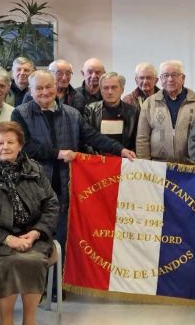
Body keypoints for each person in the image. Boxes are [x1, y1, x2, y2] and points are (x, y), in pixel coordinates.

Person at [11, 70, 135, 254]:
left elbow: (92, 136)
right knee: (35, 240)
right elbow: (24, 147)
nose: (45, 92)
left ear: (56, 87)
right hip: (33, 186)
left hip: (64, 185)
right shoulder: (19, 114)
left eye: (48, 86)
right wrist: (57, 153)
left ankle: (59, 281)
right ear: (30, 90)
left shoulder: (72, 114)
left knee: (62, 238)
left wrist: (120, 150)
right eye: (39, 88)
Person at [0, 121, 58, 325]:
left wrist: (36, 232)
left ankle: (29, 321)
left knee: (33, 260)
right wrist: (7, 239)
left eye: (10, 142)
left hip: (33, 237)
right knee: (10, 262)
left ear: (20, 145)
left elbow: (51, 205)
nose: (5, 147)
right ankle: (6, 321)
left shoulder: (36, 170)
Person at [136, 60, 195, 163]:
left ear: (183, 78)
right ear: (160, 79)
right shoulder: (150, 103)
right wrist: (144, 165)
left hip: (192, 167)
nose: (170, 79)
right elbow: (142, 138)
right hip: (159, 167)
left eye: (175, 75)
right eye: (165, 75)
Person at [85, 72, 138, 151]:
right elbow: (86, 139)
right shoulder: (90, 110)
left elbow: (136, 142)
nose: (109, 92)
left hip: (124, 161)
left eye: (114, 87)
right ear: (101, 90)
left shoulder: (133, 112)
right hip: (97, 160)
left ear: (122, 90)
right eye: (105, 88)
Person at [21, 59, 86, 110]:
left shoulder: (77, 97)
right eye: (59, 73)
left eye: (68, 73)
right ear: (50, 74)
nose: (64, 78)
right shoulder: (32, 95)